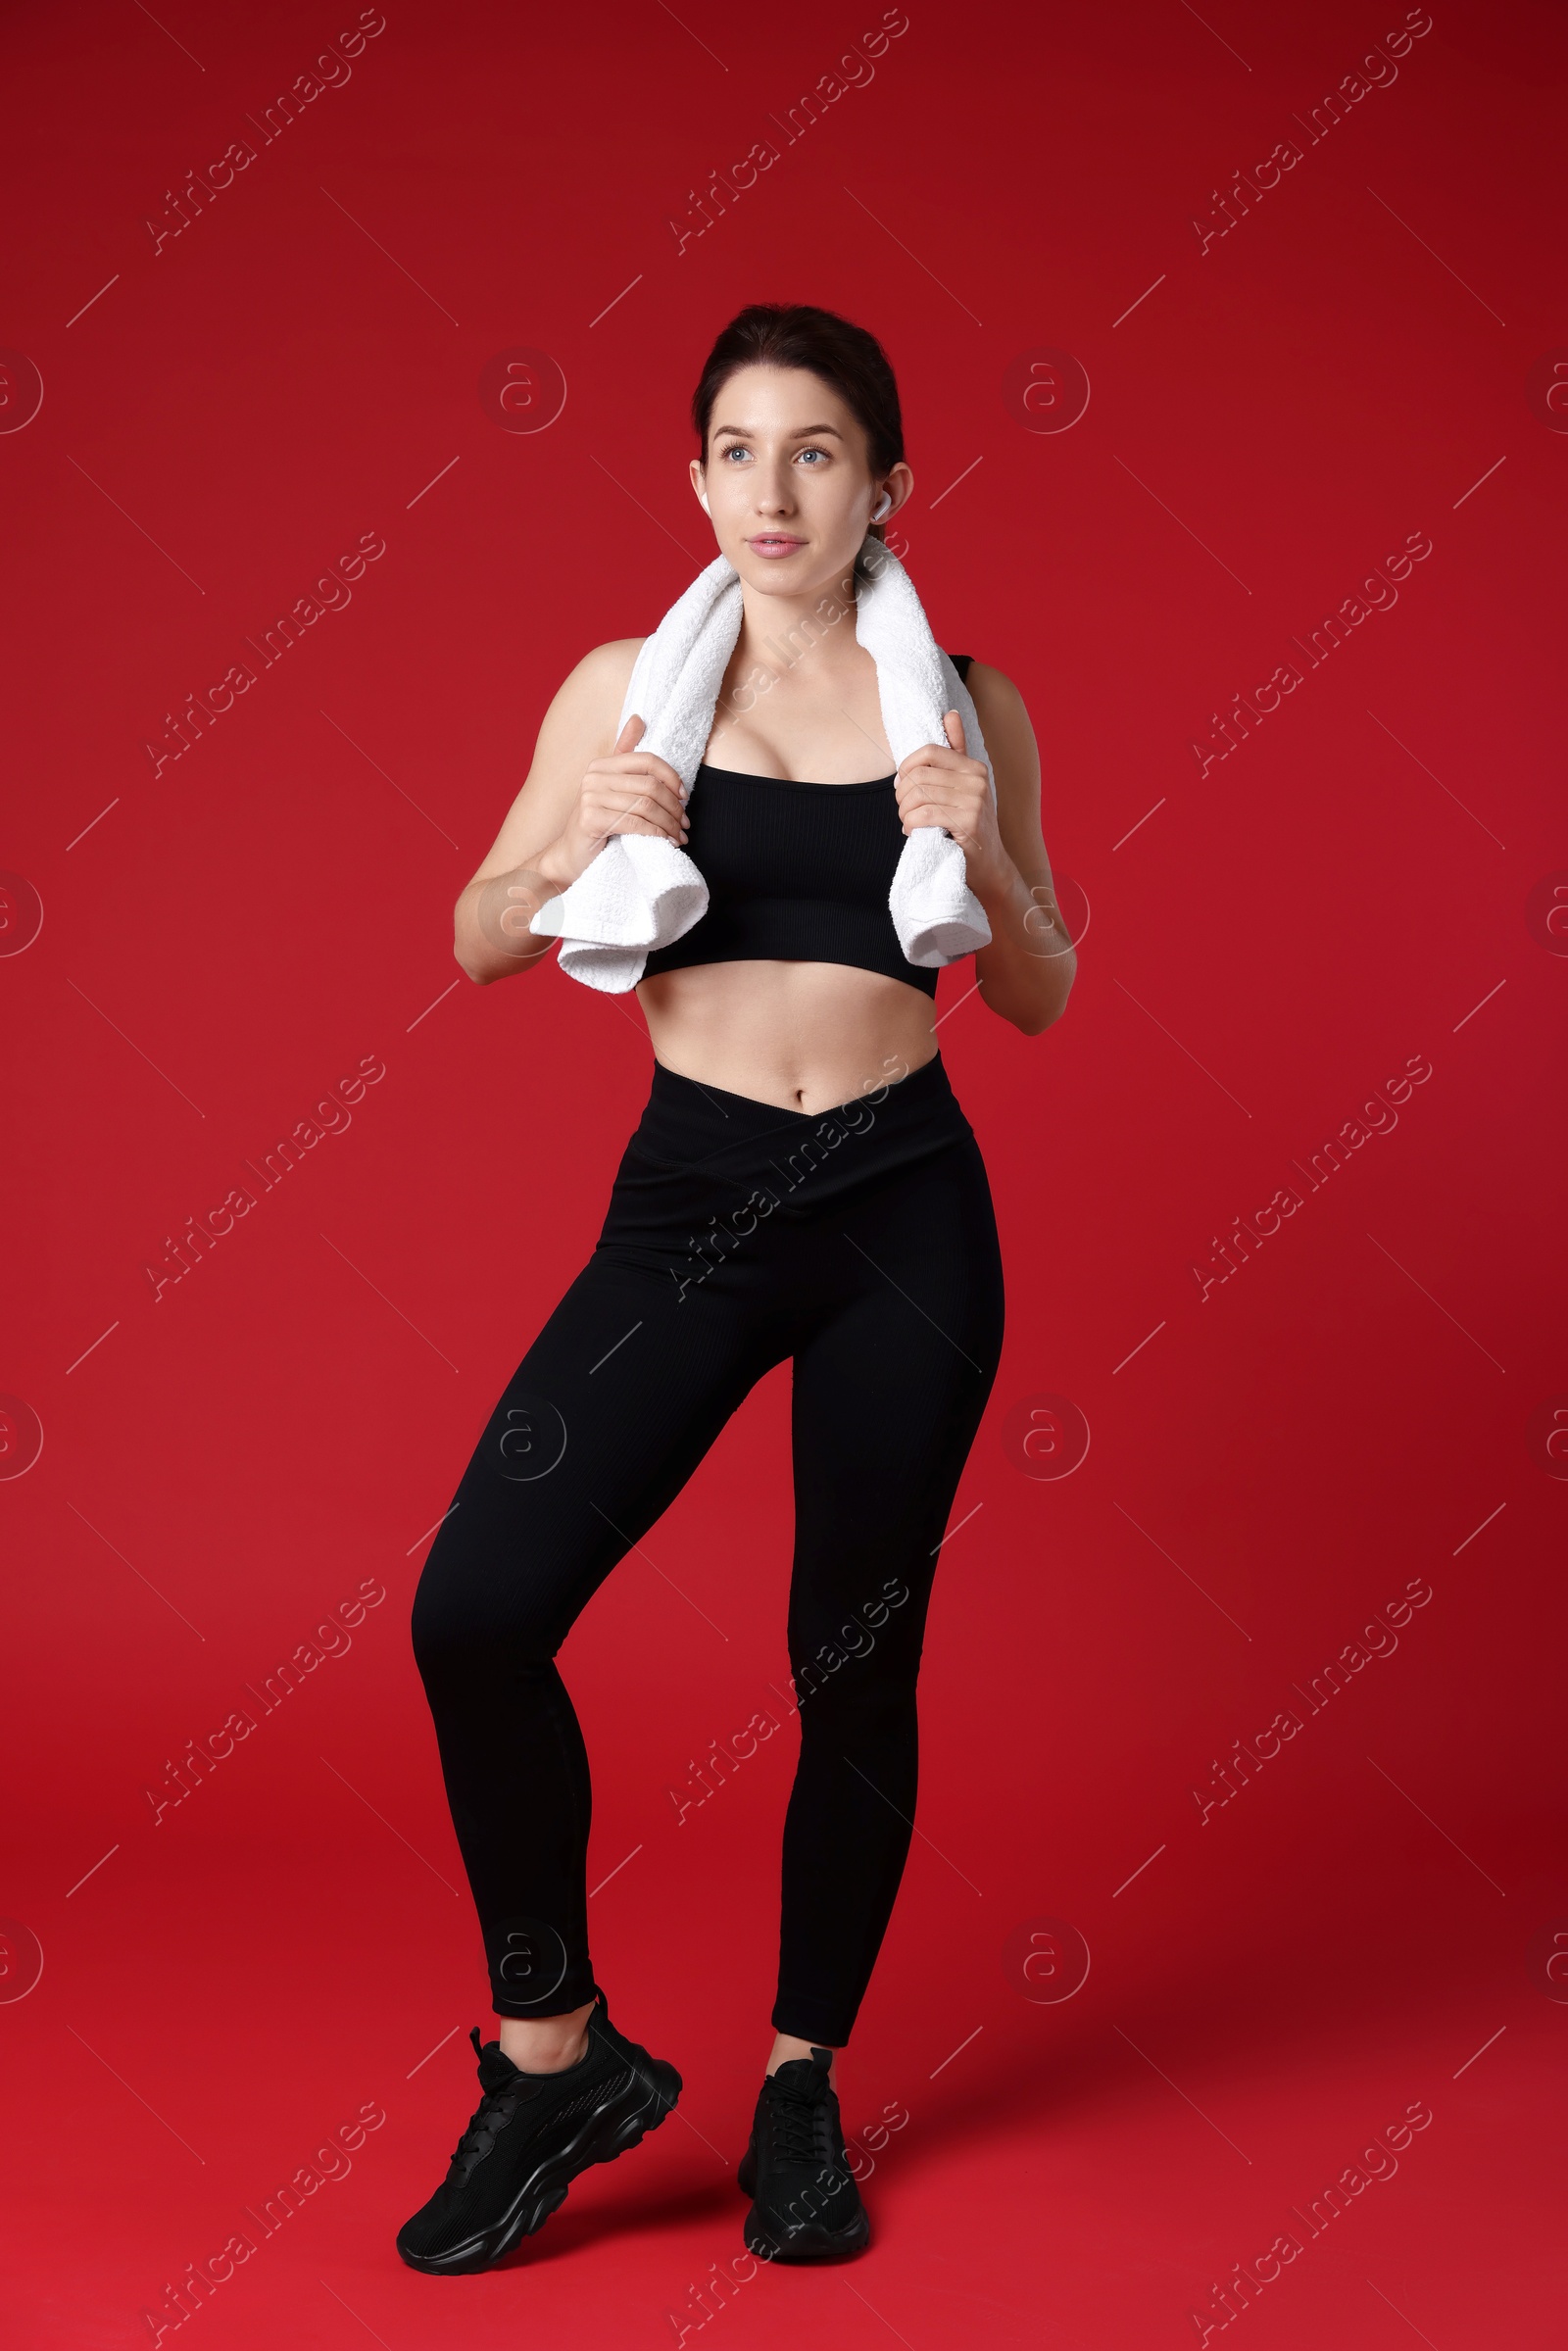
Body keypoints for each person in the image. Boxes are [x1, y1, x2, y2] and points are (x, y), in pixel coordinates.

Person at [397, 302, 1075, 2277]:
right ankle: (554, 2059)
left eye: (812, 451)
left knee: (847, 1661)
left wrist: (991, 868)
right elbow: (472, 938)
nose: (769, 489)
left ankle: (801, 2082)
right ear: (693, 477)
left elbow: (1031, 994)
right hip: (690, 1195)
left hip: (901, 1210)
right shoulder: (627, 687)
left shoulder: (963, 701)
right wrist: (564, 861)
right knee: (476, 1606)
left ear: (883, 487)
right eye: (734, 450)